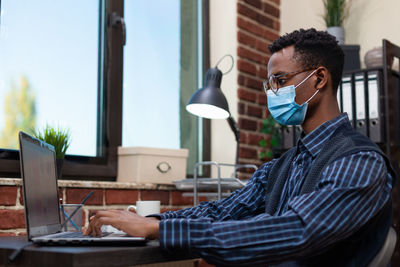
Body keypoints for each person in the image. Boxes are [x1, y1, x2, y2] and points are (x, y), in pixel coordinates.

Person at [85, 28, 395, 266]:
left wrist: (159, 232)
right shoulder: (284, 165)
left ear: (319, 80)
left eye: (280, 80)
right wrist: (151, 222)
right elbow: (222, 212)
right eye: (269, 83)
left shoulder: (360, 161)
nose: (272, 92)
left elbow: (298, 230)